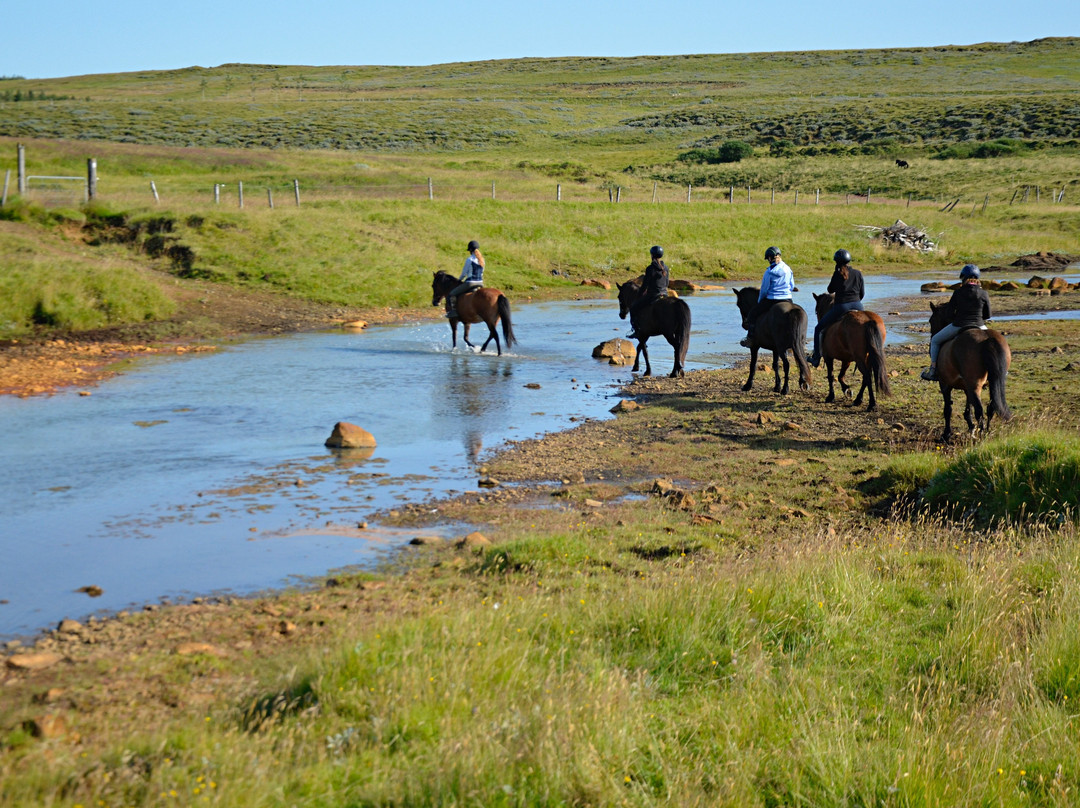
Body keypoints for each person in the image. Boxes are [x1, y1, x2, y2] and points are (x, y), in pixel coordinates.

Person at [921, 264, 991, 381]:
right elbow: (988, 315)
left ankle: (933, 370)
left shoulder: (958, 292)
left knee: (935, 341)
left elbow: (949, 314)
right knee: (993, 343)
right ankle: (1002, 370)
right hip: (979, 325)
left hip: (959, 325)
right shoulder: (984, 293)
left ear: (963, 278)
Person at [810, 248, 865, 367]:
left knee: (818, 329)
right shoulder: (858, 273)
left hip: (841, 307)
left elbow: (830, 290)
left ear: (836, 262)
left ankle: (816, 357)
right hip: (858, 305)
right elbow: (862, 293)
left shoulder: (838, 274)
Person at [740, 246, 794, 347]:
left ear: (769, 258)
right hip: (788, 299)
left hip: (773, 299)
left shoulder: (769, 272)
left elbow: (764, 290)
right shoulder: (788, 269)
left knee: (752, 314)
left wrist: (760, 301)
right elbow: (792, 285)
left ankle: (750, 338)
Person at [627, 245, 670, 339]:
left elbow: (644, 286)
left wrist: (639, 296)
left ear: (652, 255)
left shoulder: (650, 268)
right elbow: (667, 283)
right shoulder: (665, 268)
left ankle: (636, 330)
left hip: (653, 295)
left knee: (634, 308)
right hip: (665, 294)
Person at [446, 240, 485, 318]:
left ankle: (454, 311)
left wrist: (459, 280)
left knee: (452, 294)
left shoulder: (469, 259)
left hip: (470, 283)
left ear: (470, 250)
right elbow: (482, 272)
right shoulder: (482, 260)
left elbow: (464, 273)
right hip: (480, 282)